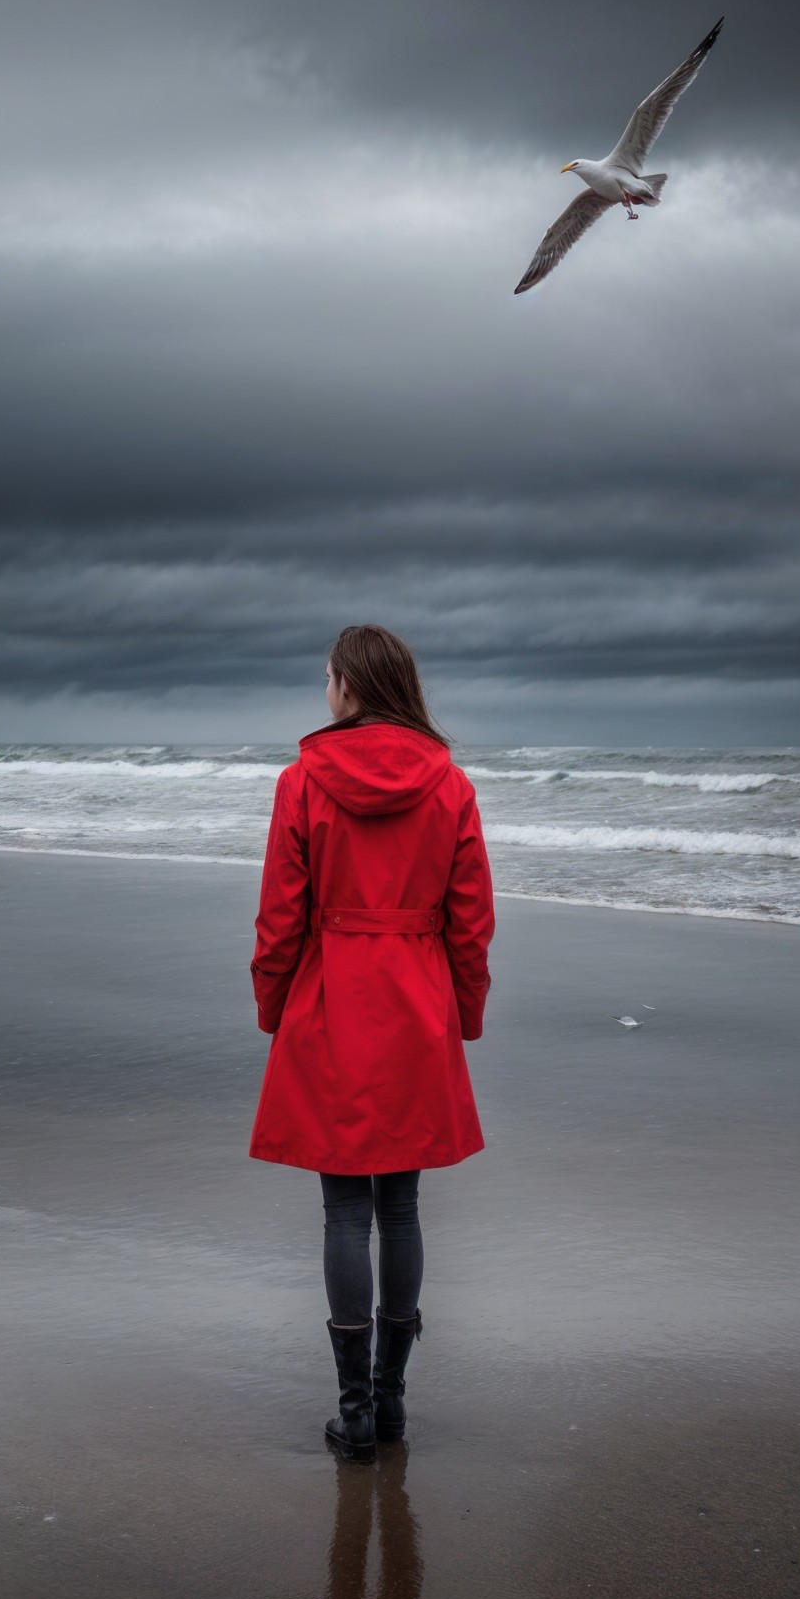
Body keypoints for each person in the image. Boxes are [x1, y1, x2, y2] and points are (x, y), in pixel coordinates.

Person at [248, 624, 495, 1462]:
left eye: (327, 678)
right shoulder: (451, 785)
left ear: (349, 687)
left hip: (330, 1001)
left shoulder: (301, 781)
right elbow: (473, 922)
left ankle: (354, 1409)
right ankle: (391, 1402)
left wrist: (272, 1004)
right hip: (418, 1002)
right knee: (401, 1206)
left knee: (345, 1209)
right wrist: (463, 1013)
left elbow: (280, 916)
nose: (325, 691)